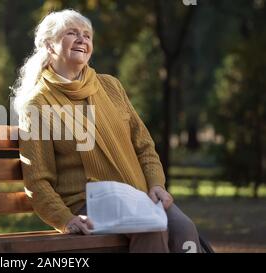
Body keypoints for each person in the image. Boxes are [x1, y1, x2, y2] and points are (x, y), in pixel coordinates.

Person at [12, 9, 202, 253]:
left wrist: (156, 184)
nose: (83, 39)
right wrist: (65, 219)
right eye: (72, 33)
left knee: (184, 229)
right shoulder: (38, 104)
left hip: (140, 196)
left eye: (87, 35)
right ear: (49, 45)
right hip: (88, 202)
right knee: (150, 227)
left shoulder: (110, 86)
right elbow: (37, 179)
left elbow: (144, 145)